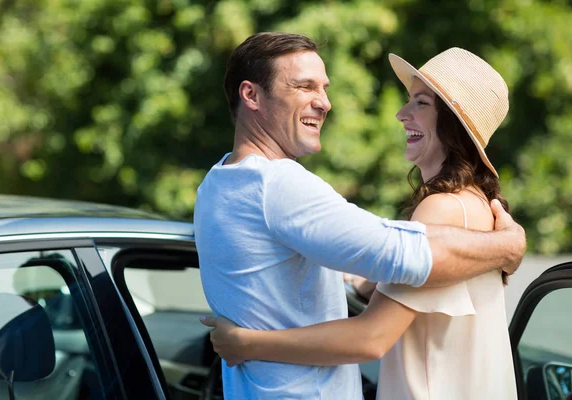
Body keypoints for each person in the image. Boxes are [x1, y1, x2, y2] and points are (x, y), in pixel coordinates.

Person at [194, 34, 525, 400]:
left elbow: (372, 334)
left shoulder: (216, 183)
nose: (325, 103)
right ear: (251, 95)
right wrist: (507, 245)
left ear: (452, 124)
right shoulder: (274, 184)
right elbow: (402, 257)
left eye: (420, 102)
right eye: (304, 86)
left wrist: (246, 343)